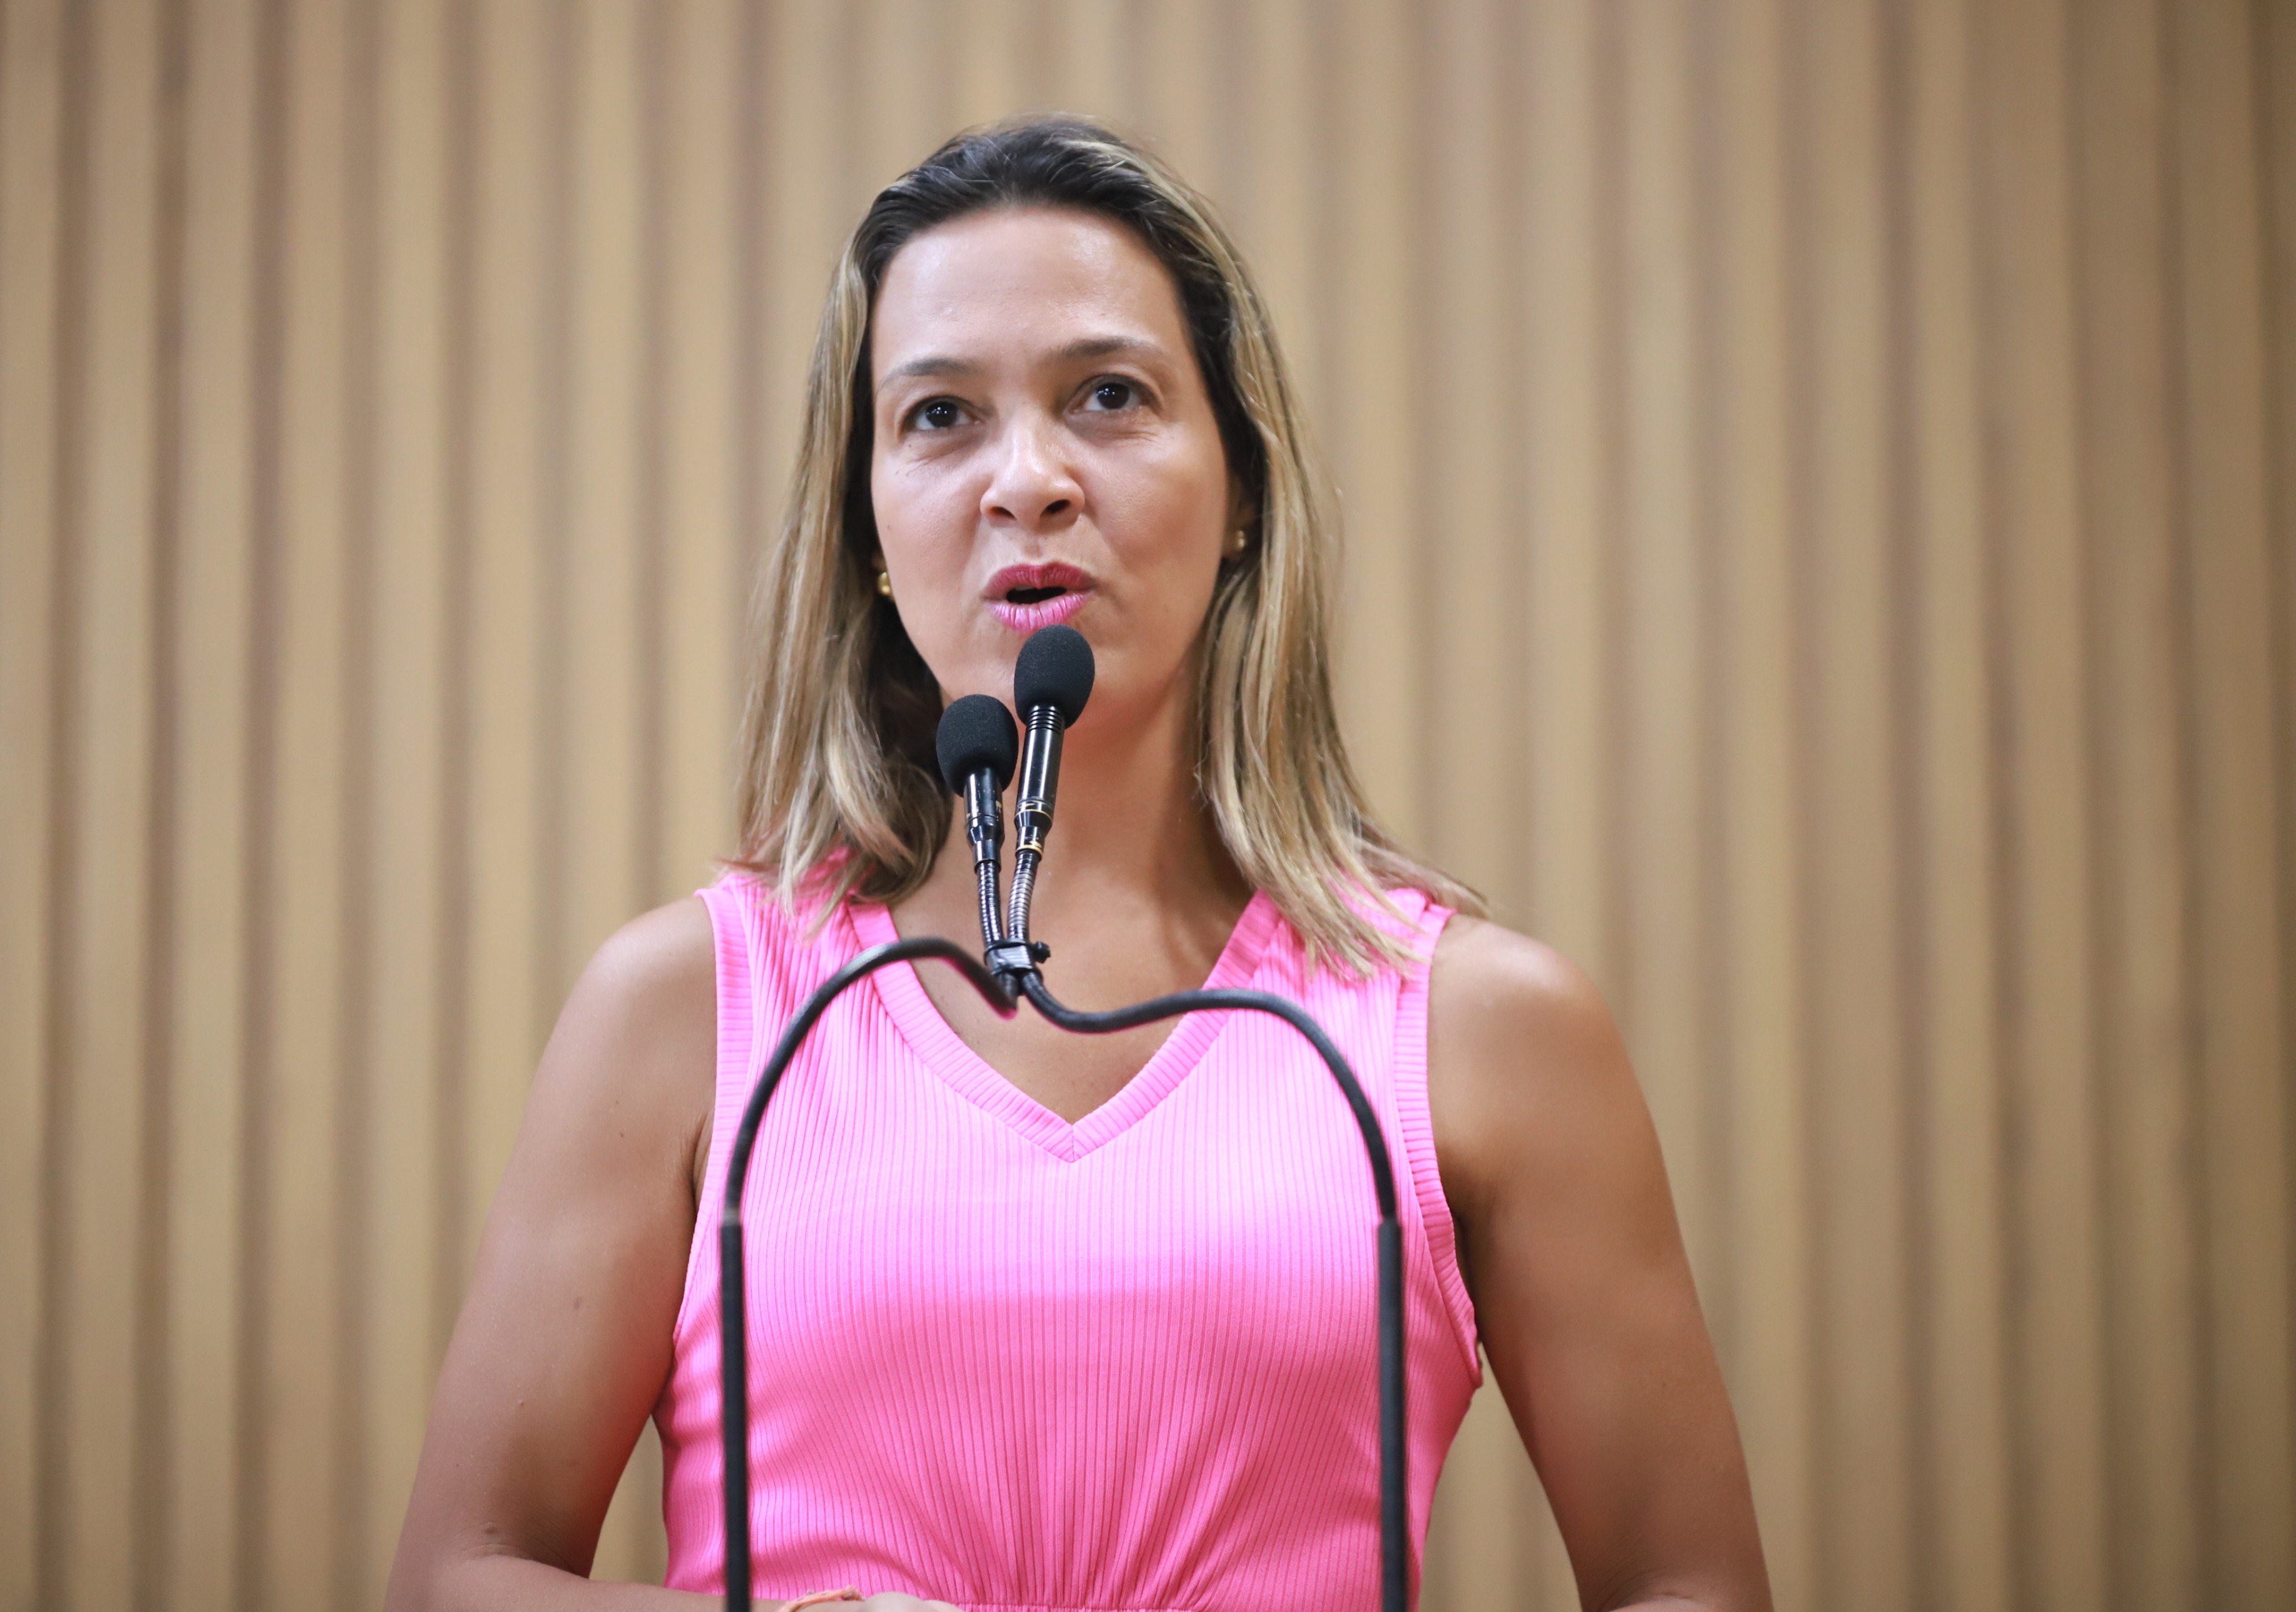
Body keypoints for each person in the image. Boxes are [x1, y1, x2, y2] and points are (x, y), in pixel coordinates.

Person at [387, 116, 1770, 1612]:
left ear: (1244, 488)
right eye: (938, 416)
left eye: (1108, 396)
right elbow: (460, 1578)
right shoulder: (687, 1010)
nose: (1027, 480)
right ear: (866, 524)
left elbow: (1687, 1584)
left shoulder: (1480, 1028)